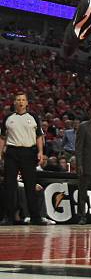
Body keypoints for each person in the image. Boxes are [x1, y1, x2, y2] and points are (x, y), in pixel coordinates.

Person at [0, 92, 46, 225]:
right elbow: (2, 137)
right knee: (10, 186)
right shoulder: (8, 117)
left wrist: (40, 152)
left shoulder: (33, 117)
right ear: (14, 102)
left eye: (23, 100)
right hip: (12, 152)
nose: (20, 102)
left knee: (30, 186)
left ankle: (35, 217)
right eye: (18, 100)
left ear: (27, 103)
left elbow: (38, 136)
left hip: (29, 152)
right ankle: (9, 217)